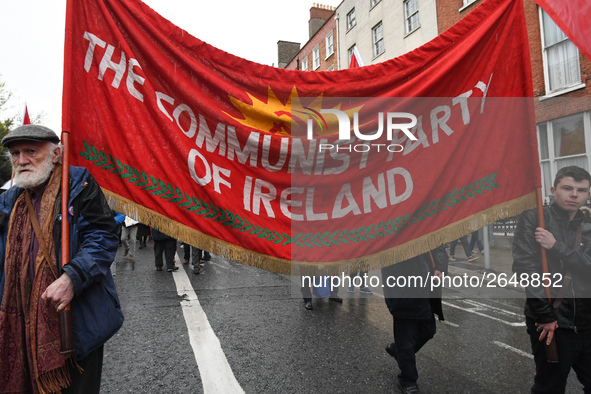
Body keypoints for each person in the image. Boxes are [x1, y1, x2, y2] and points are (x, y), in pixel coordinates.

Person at [0, 125, 123, 393]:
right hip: (20, 324)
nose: (21, 160)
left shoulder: (79, 184)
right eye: (15, 154)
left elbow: (103, 236)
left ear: (56, 154)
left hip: (76, 322)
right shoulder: (9, 199)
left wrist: (72, 278)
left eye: (31, 151)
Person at [513, 165, 591, 393]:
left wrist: (557, 247)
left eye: (582, 190)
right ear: (553, 190)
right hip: (554, 324)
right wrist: (545, 317)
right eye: (568, 188)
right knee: (550, 386)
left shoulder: (588, 225)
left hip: (587, 320)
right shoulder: (534, 218)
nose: (574, 195)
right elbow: (526, 270)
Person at [382, 245, 448, 394]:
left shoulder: (425, 223)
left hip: (426, 289)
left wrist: (440, 267)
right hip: (403, 290)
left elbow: (439, 247)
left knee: (429, 330)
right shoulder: (393, 228)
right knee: (406, 339)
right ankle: (407, 379)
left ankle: (398, 351)